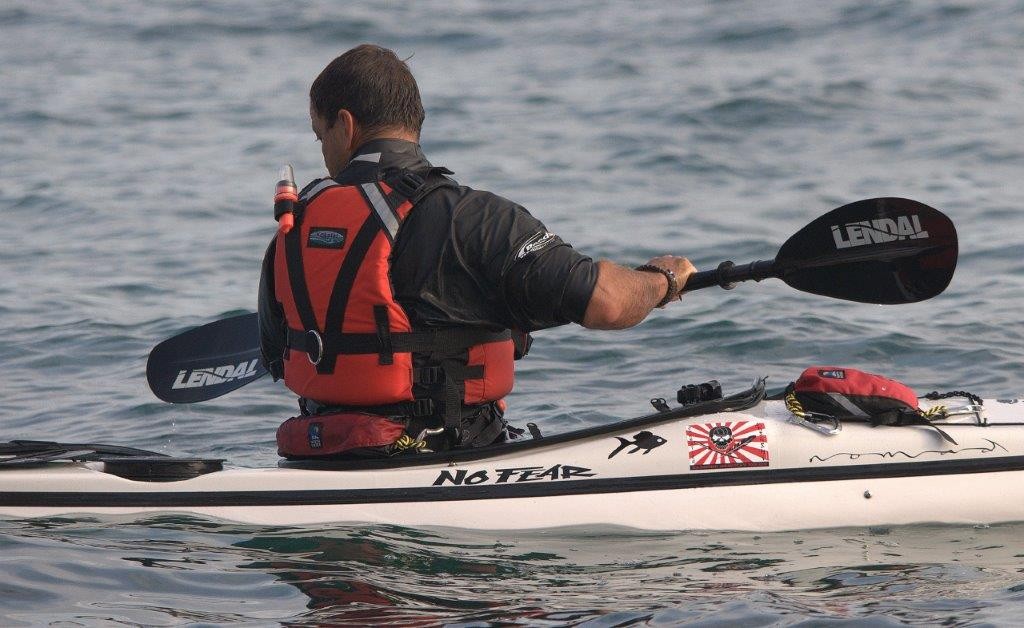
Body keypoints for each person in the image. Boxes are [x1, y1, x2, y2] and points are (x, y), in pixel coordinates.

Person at [258, 44, 696, 458]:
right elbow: (606, 302)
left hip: (321, 458)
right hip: (445, 458)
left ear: (347, 125)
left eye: (321, 137)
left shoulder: (292, 229)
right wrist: (665, 280)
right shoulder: (472, 217)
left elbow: (280, 355)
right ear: (413, 122)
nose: (324, 152)